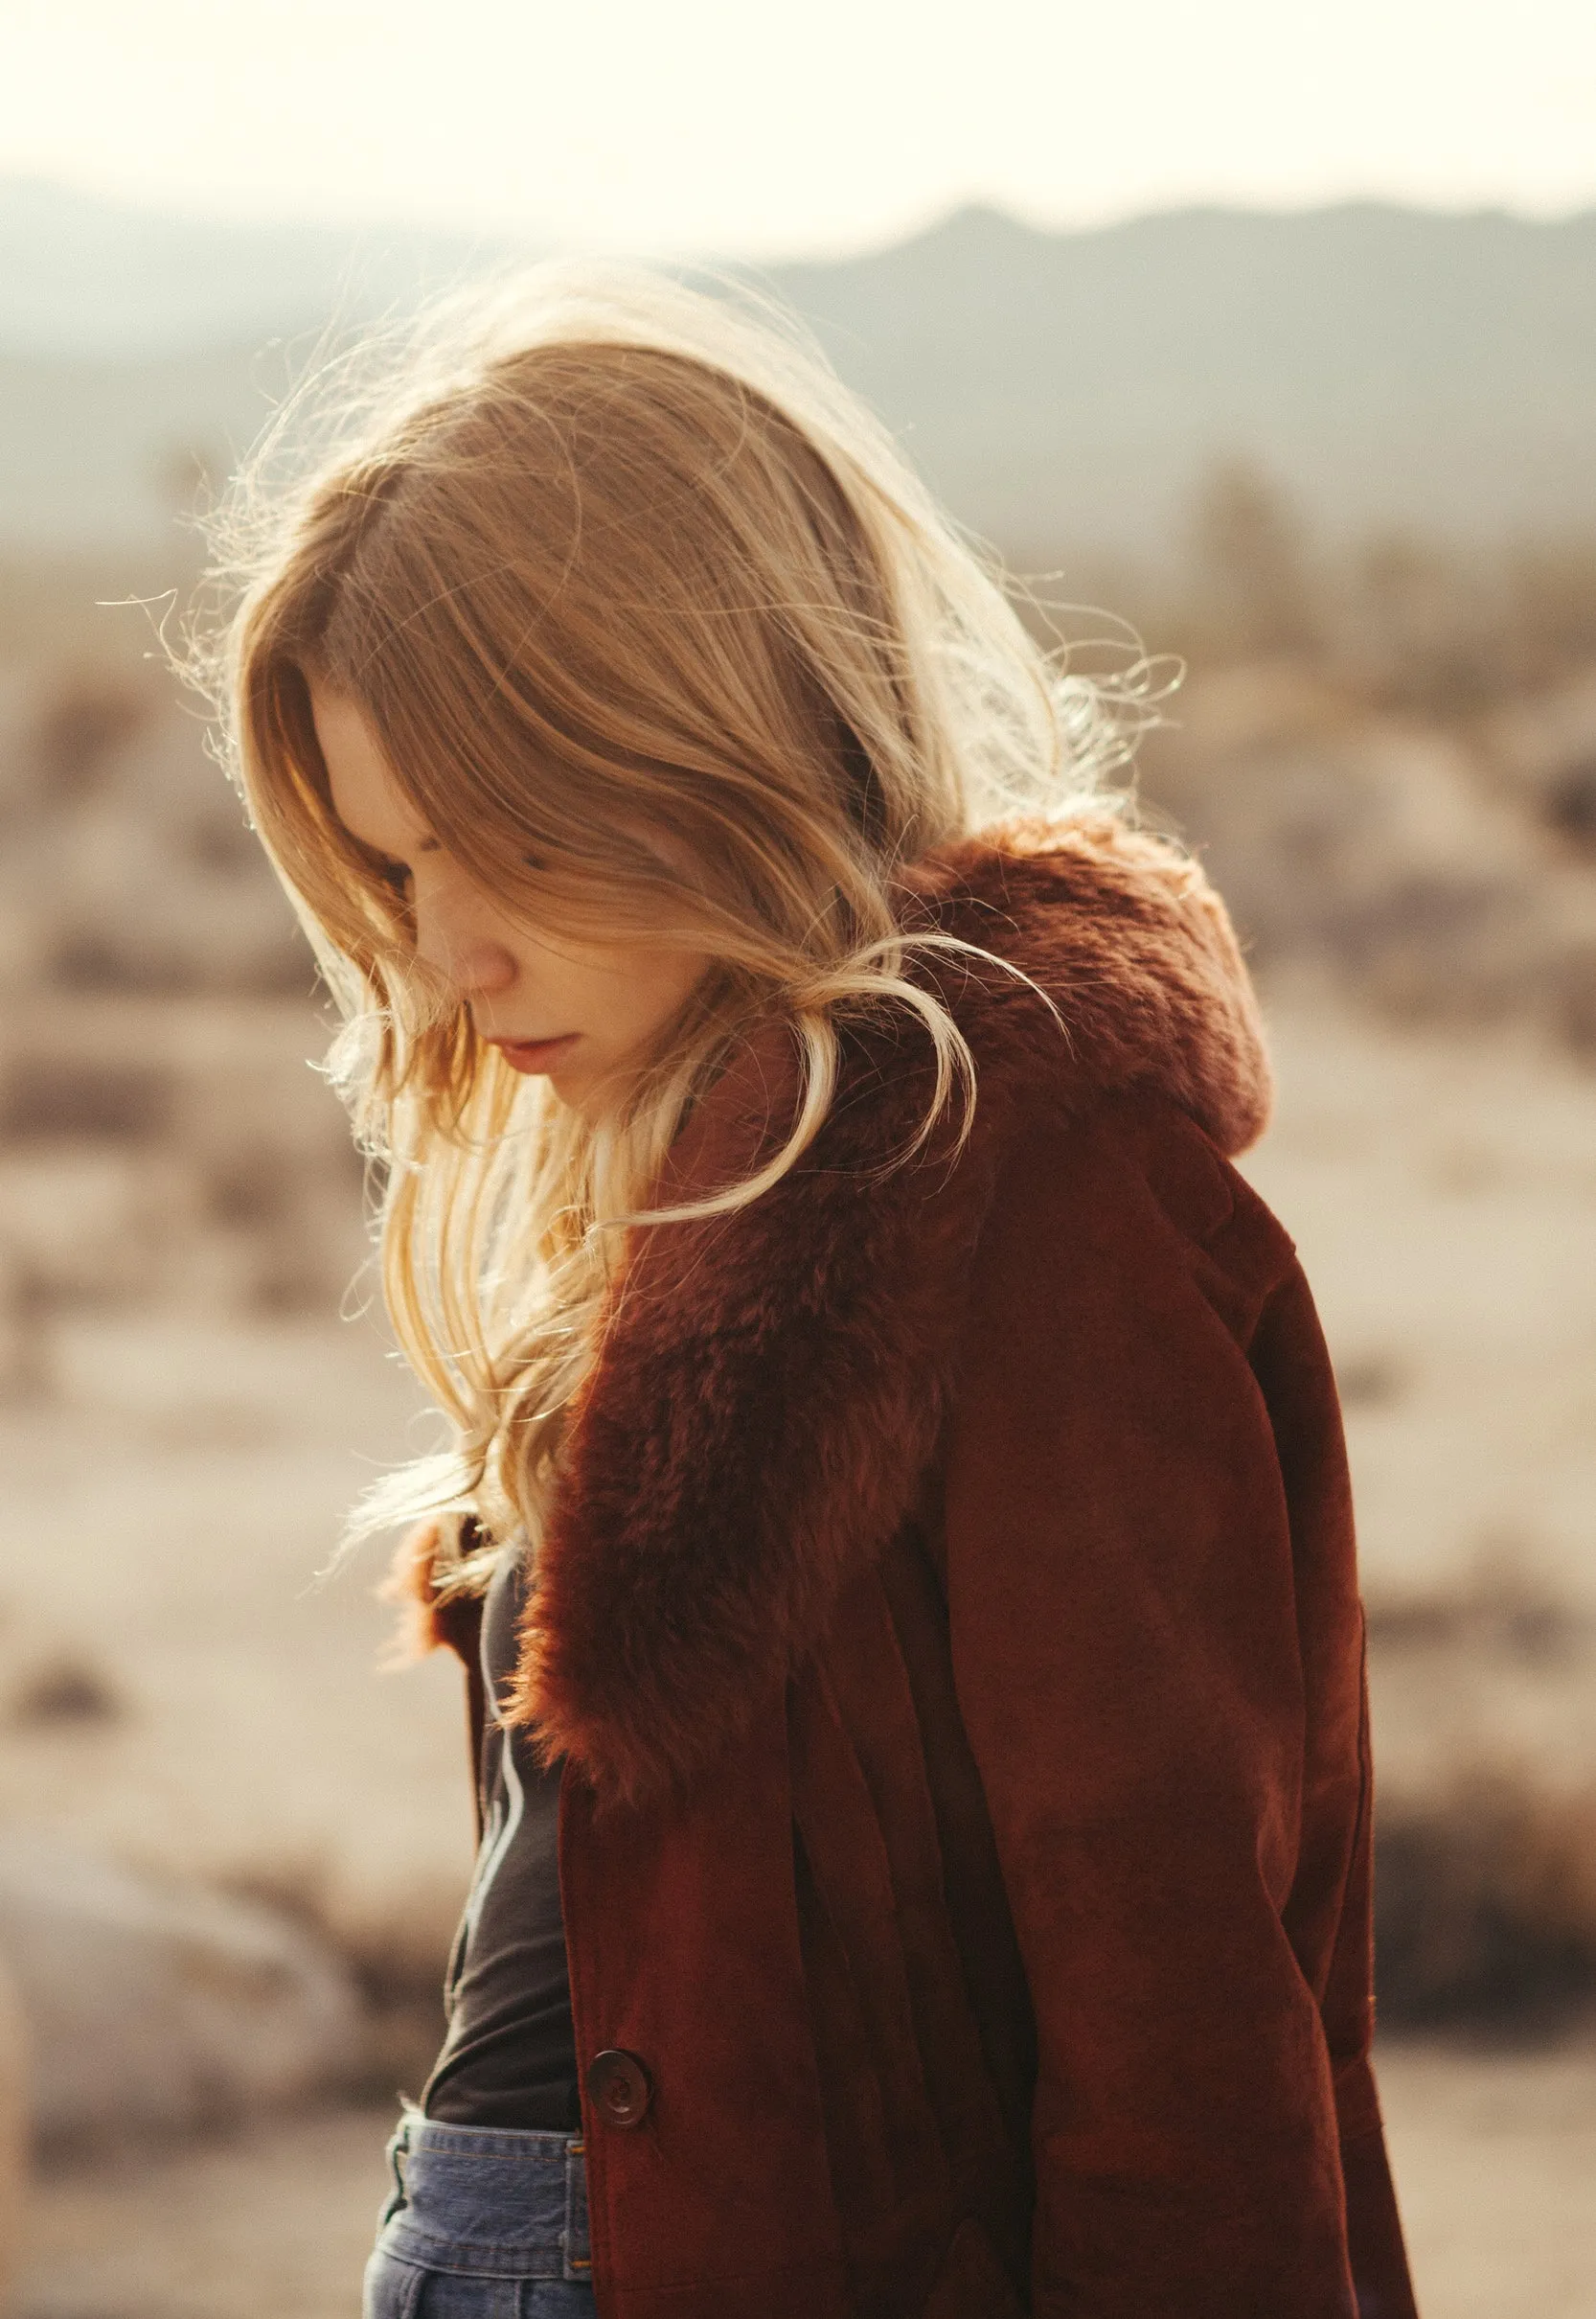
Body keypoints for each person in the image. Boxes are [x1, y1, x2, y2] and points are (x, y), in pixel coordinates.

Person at [205, 264, 1418, 2319]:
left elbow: (1175, 2012)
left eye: (508, 843)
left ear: (699, 743)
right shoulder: (699, 1176)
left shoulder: (1014, 1176)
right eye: (400, 871)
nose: (445, 956)